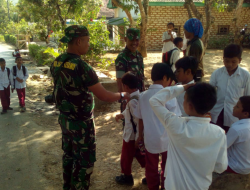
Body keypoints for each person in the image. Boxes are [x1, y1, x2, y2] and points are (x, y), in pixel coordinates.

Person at [50, 25, 130, 190]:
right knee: (84, 160)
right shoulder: (82, 67)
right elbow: (104, 96)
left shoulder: (57, 62)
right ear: (79, 41)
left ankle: (68, 186)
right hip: (81, 124)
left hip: (65, 120)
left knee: (69, 155)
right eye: (87, 41)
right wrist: (122, 95)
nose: (88, 44)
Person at [149, 83, 228, 190]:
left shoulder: (175, 125)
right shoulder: (219, 133)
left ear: (189, 106)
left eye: (184, 99)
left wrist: (182, 87)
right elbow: (221, 167)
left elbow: (155, 100)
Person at [134, 63, 181, 190]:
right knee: (167, 166)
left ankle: (153, 187)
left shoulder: (143, 96)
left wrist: (139, 135)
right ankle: (165, 186)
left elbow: (140, 118)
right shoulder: (169, 95)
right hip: (167, 139)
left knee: (151, 166)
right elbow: (176, 118)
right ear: (165, 78)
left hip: (150, 138)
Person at [210, 44, 250, 133]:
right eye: (226, 61)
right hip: (217, 112)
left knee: (230, 139)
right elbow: (209, 93)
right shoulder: (217, 73)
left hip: (234, 116)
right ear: (223, 59)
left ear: (239, 60)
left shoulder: (246, 76)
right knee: (216, 135)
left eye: (233, 61)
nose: (229, 64)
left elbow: (248, 97)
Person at [115, 72, 146, 186]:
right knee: (139, 154)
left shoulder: (133, 101)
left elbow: (138, 120)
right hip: (136, 135)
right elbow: (132, 114)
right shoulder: (139, 96)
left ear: (126, 87)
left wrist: (138, 137)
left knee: (126, 156)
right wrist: (122, 114)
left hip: (132, 135)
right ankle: (151, 171)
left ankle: (127, 176)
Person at [115, 28, 145, 121]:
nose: (134, 42)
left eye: (137, 40)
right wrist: (124, 100)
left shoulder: (139, 56)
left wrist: (143, 94)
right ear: (125, 39)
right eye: (131, 40)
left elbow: (142, 78)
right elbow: (120, 81)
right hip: (129, 99)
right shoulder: (122, 58)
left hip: (139, 97)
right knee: (129, 126)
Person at [227, 96, 250, 174]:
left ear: (245, 114)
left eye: (237, 106)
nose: (233, 107)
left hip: (236, 167)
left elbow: (223, 146)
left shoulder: (237, 128)